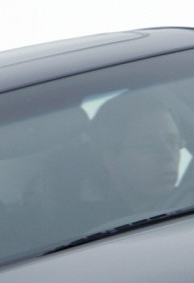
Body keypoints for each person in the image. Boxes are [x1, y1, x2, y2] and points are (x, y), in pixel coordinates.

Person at [24, 91, 184, 235]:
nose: (167, 155)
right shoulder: (83, 232)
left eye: (173, 142)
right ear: (111, 160)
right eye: (148, 147)